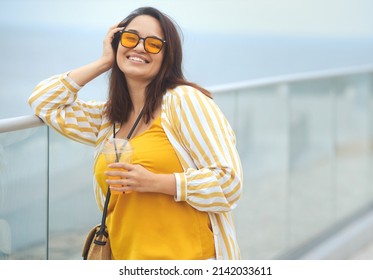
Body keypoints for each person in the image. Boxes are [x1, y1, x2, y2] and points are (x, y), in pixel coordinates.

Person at [29, 6, 243, 260]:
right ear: (116, 42)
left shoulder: (185, 101)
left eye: (153, 44)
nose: (140, 48)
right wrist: (103, 63)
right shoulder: (107, 121)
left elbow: (229, 183)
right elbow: (44, 101)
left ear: (167, 56)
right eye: (131, 38)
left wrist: (154, 182)